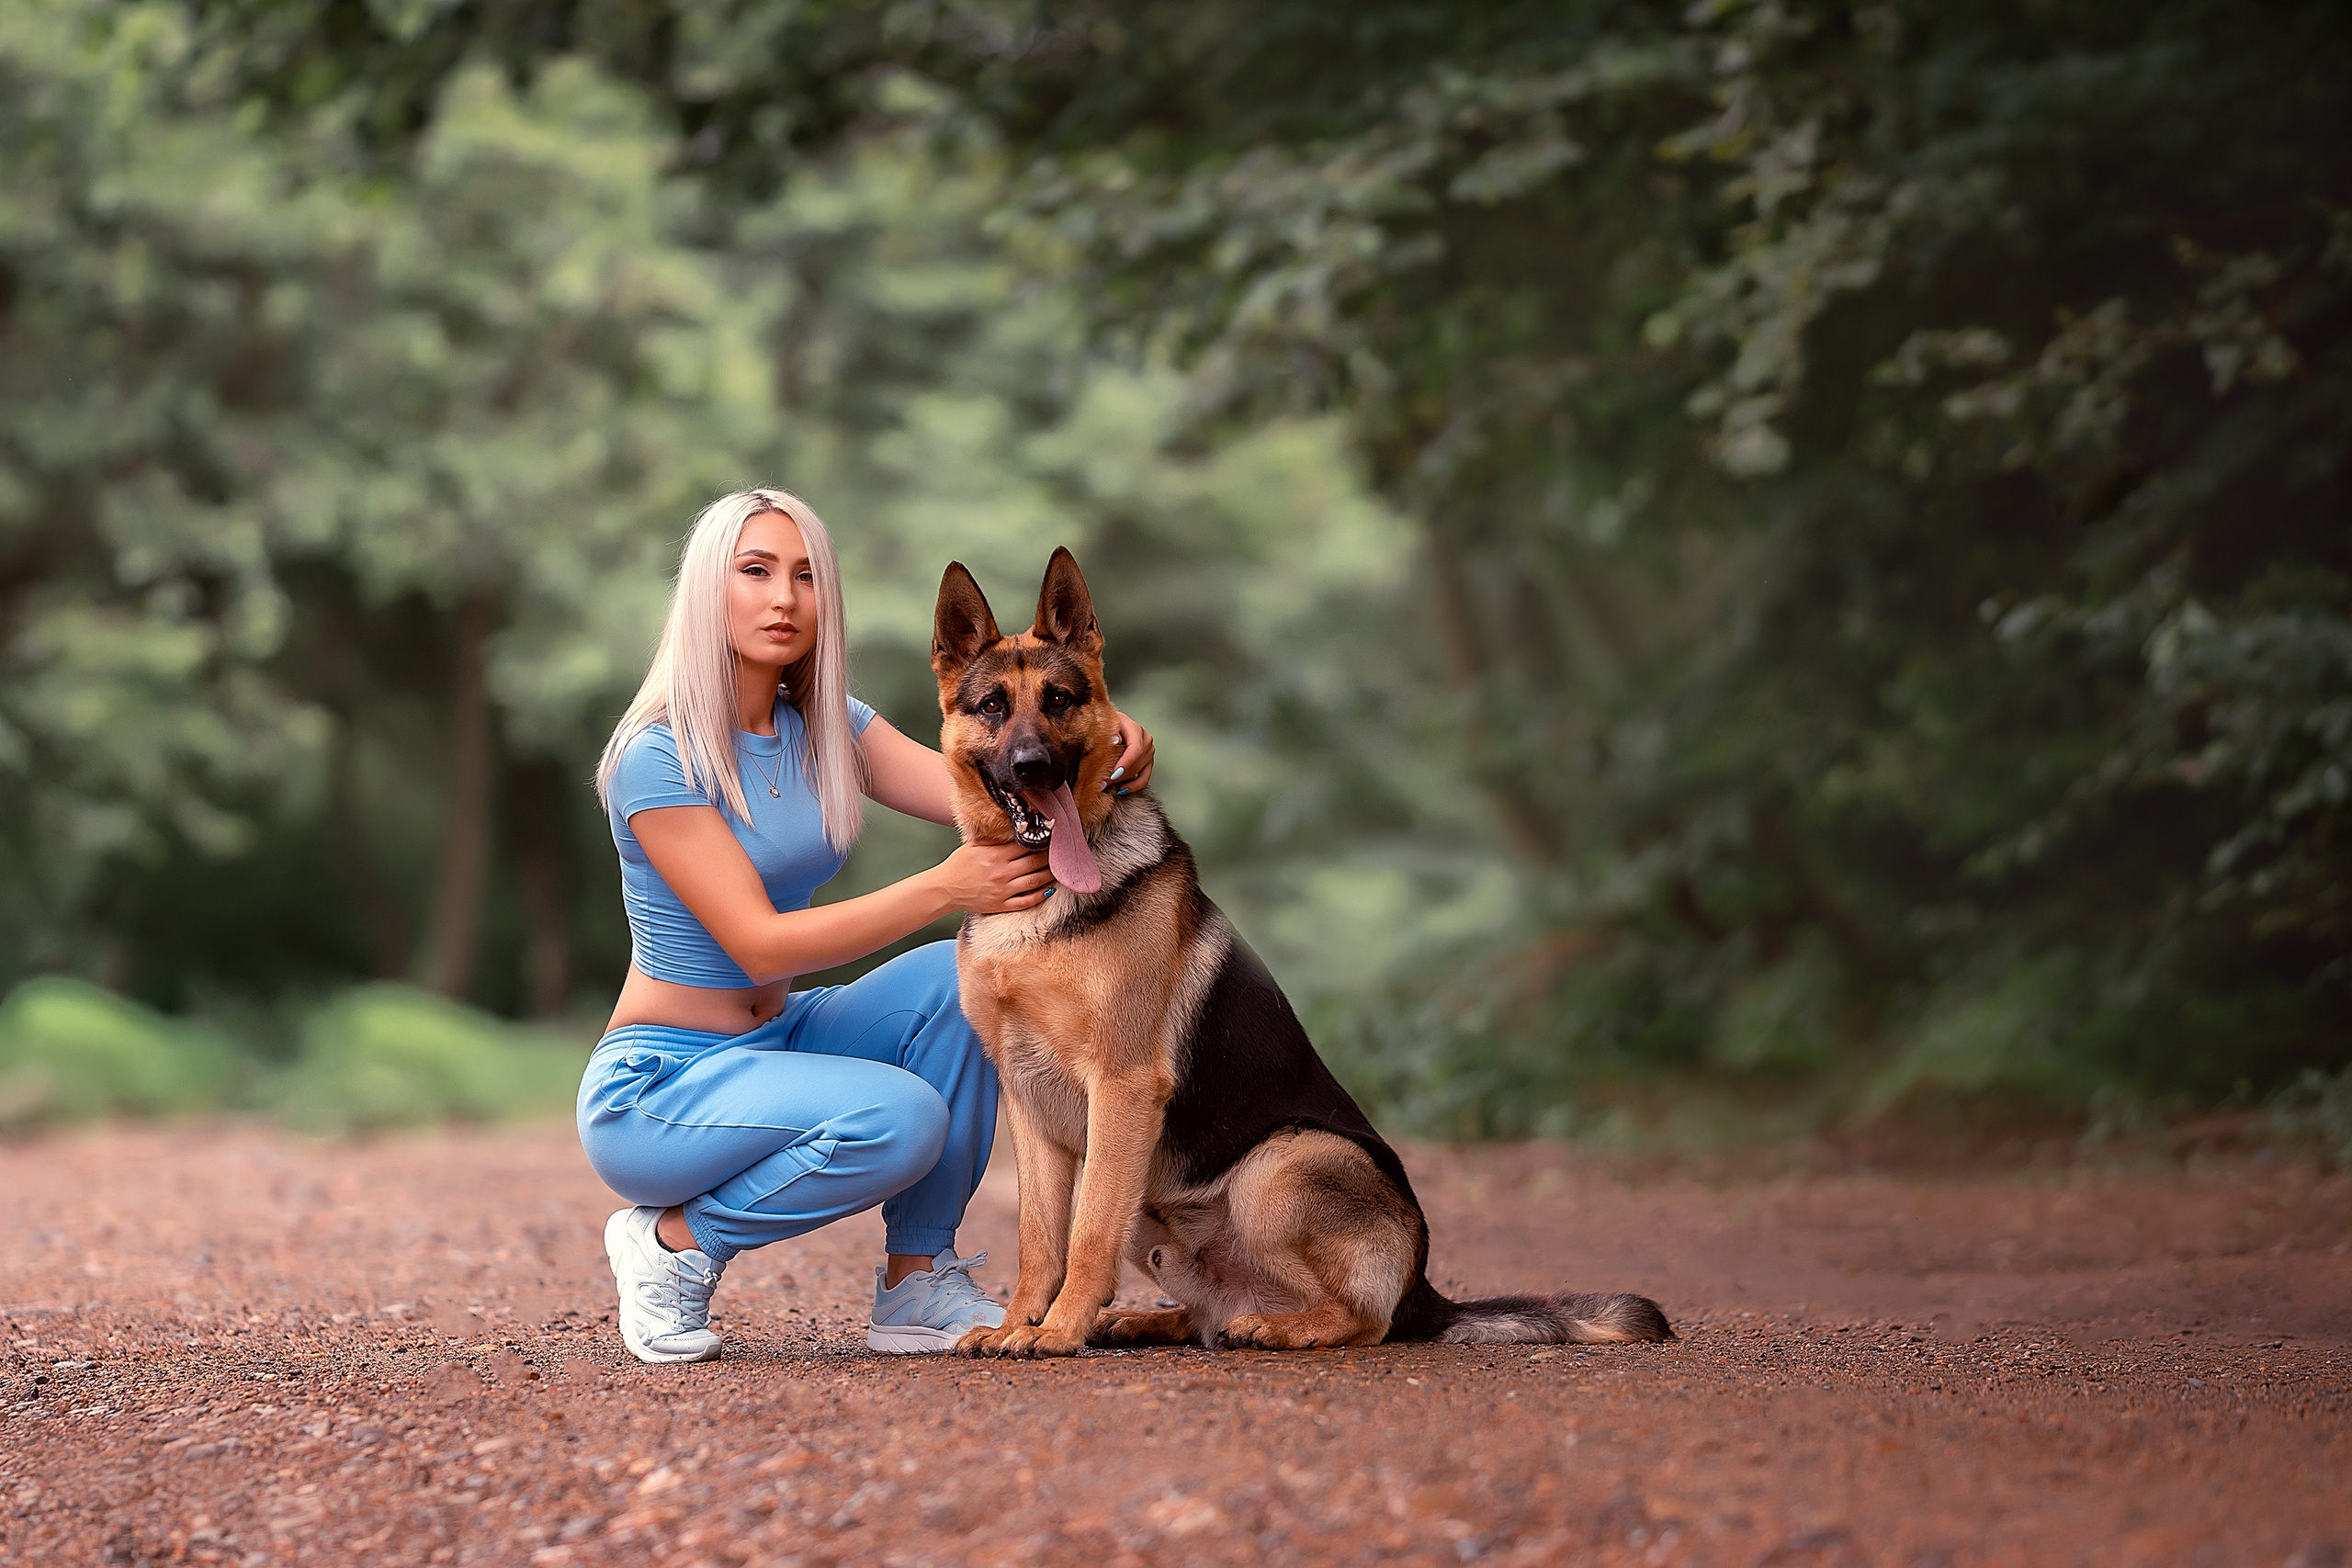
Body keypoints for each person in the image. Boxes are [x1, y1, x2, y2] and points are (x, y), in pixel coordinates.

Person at [578, 488, 1154, 1363]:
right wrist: (944, 887)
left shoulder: (827, 726)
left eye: (806, 576)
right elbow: (758, 943)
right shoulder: (656, 756)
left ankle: (916, 1277)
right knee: (902, 1116)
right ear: (707, 591)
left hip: (779, 1037)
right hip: (661, 1084)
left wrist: (1106, 733)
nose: (784, 598)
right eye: (756, 572)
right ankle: (671, 1245)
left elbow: (990, 775)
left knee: (956, 981)